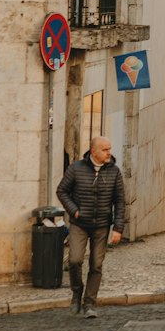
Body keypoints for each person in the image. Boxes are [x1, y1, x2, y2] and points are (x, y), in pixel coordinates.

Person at [57, 135, 125, 318]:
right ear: (94, 151)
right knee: (74, 260)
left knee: (96, 264)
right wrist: (74, 210)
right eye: (105, 150)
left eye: (109, 149)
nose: (109, 152)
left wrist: (118, 228)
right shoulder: (76, 169)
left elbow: (120, 201)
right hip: (79, 223)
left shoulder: (114, 172)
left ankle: (89, 303)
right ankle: (77, 292)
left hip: (102, 225)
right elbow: (61, 191)